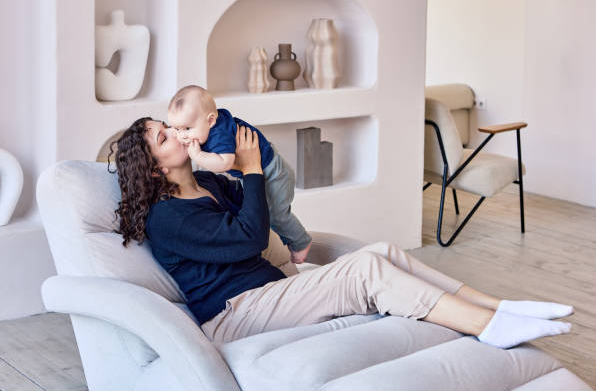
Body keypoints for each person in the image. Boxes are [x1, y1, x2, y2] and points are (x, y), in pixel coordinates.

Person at [110, 117, 574, 347]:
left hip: (270, 293)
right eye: (165, 136)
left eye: (169, 125)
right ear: (152, 168)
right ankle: (490, 328)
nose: (176, 131)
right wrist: (249, 172)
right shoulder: (166, 217)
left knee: (383, 250)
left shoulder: (208, 182)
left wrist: (234, 164)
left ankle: (497, 304)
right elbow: (251, 238)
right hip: (234, 317)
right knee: (367, 270)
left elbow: (263, 212)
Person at [166, 85, 311, 263]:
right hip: (262, 170)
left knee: (275, 214)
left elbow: (224, 163)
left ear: (210, 120)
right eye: (176, 129)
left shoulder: (218, 135)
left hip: (273, 173)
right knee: (265, 212)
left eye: (187, 129)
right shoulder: (205, 126)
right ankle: (289, 239)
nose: (182, 136)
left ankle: (301, 243)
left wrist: (198, 156)